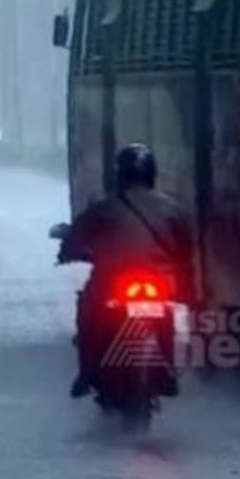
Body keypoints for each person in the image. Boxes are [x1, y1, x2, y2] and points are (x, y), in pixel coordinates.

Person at [57, 143, 197, 400]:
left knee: (87, 308)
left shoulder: (105, 207)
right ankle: (167, 371)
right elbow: (187, 247)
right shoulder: (173, 208)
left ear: (119, 175)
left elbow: (77, 236)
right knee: (168, 314)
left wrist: (66, 252)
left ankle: (86, 373)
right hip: (158, 281)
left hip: (113, 281)